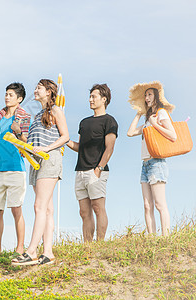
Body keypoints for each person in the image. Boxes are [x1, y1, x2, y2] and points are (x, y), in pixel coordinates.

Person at [12, 79, 69, 266]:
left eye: (39, 88)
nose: (35, 90)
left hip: (49, 160)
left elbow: (65, 137)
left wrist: (47, 148)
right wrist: (20, 139)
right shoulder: (37, 116)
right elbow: (32, 144)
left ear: (49, 92)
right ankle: (48, 253)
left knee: (39, 206)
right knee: (48, 209)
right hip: (35, 163)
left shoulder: (56, 111)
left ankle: (31, 251)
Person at [66, 84, 118, 242]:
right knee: (83, 211)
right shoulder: (84, 122)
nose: (90, 99)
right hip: (80, 171)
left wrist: (99, 169)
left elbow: (110, 148)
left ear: (104, 99)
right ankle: (88, 246)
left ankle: (99, 243)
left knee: (98, 207)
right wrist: (65, 141)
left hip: (97, 171)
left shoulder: (110, 121)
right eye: (90, 96)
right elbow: (79, 147)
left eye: (94, 96)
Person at [0, 82, 31, 255]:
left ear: (19, 99)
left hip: (16, 169)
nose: (6, 97)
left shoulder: (24, 117)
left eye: (10, 95)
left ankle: (20, 247)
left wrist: (18, 132)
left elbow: (26, 145)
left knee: (16, 209)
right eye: (6, 94)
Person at [127, 81, 176, 236]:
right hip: (145, 164)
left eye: (149, 94)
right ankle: (152, 239)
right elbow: (130, 132)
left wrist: (155, 124)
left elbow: (173, 135)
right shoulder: (148, 119)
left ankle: (165, 238)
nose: (147, 98)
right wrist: (139, 113)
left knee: (160, 205)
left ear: (156, 96)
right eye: (145, 95)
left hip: (157, 163)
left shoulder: (160, 113)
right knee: (147, 206)